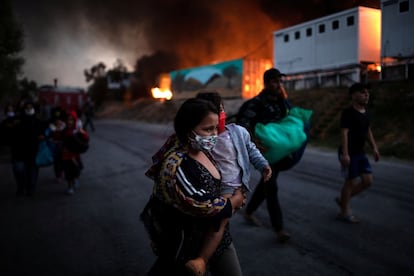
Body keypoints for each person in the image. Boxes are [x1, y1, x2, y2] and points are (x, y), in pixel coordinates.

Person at [141, 98, 246, 276]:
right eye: (207, 129)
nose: (214, 135)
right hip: (187, 245)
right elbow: (203, 205)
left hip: (218, 236)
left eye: (215, 128)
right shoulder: (176, 165)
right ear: (187, 130)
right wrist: (233, 202)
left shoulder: (205, 151)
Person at [182, 92, 272, 275]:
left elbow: (251, 149)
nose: (220, 114)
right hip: (219, 188)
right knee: (219, 223)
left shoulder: (237, 132)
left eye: (221, 109)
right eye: (215, 111)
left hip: (237, 185)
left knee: (220, 222)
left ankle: (202, 259)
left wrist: (263, 165)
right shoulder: (205, 138)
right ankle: (202, 260)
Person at [236, 68, 305, 243]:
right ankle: (279, 228)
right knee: (271, 185)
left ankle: (250, 211)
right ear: (266, 83)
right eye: (275, 82)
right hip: (263, 152)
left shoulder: (281, 102)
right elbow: (242, 125)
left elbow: (289, 118)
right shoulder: (255, 103)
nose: (278, 85)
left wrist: (285, 98)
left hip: (279, 151)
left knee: (267, 182)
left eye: (280, 82)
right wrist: (253, 142)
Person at [336, 83, 380, 223]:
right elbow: (344, 133)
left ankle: (343, 200)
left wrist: (374, 147)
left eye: (367, 92)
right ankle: (344, 212)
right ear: (353, 95)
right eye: (362, 92)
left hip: (360, 153)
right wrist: (345, 154)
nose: (366, 94)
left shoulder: (366, 113)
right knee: (350, 182)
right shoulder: (348, 113)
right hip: (349, 153)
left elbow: (367, 131)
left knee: (368, 181)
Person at [1, 101, 45, 196]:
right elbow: (4, 126)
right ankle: (21, 186)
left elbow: (43, 131)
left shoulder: (37, 120)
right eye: (27, 107)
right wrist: (11, 126)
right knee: (18, 169)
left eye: (30, 107)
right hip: (18, 149)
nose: (29, 109)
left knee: (32, 170)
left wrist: (42, 136)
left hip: (32, 149)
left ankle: (31, 188)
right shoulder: (17, 119)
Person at [61, 110, 89, 195]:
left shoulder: (77, 131)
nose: (69, 122)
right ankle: (70, 188)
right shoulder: (64, 130)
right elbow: (61, 140)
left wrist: (82, 133)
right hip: (66, 156)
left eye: (71, 120)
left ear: (75, 121)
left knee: (76, 170)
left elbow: (86, 139)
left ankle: (76, 178)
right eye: (68, 120)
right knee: (67, 173)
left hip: (75, 156)